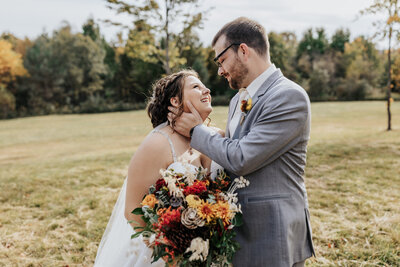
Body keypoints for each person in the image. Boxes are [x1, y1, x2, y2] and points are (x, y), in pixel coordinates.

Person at [168, 17, 315, 267]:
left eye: (222, 60)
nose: (219, 70)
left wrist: (196, 131)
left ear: (243, 50)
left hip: (272, 229)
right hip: (238, 229)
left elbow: (242, 157)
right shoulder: (238, 99)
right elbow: (231, 146)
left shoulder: (289, 96)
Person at [94, 69, 223, 267]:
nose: (206, 90)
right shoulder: (158, 143)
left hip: (210, 247)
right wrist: (169, 254)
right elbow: (132, 210)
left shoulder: (217, 136)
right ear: (175, 101)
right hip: (165, 255)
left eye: (204, 86)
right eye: (196, 87)